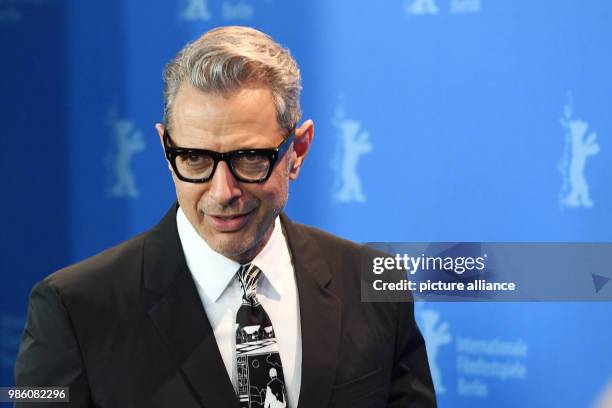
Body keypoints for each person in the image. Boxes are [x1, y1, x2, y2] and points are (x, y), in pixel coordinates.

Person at [14, 26, 436, 407]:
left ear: (298, 150)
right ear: (166, 149)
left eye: (250, 159)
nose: (222, 192)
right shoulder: (71, 310)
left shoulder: (375, 282)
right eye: (195, 158)